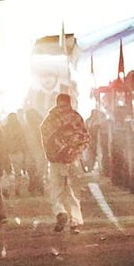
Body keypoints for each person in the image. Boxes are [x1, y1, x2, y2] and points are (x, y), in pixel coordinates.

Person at [40, 93, 91, 233]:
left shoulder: (50, 119)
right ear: (70, 102)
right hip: (73, 159)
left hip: (56, 161)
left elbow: (45, 138)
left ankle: (60, 212)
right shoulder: (76, 117)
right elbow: (85, 137)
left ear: (57, 102)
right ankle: (75, 222)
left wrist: (51, 154)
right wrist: (76, 151)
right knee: (73, 191)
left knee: (56, 190)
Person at [3, 112, 28, 197]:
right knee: (15, 173)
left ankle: (10, 189)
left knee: (9, 173)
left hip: (12, 153)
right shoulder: (19, 128)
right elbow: (23, 142)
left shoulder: (6, 128)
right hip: (14, 153)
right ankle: (14, 189)